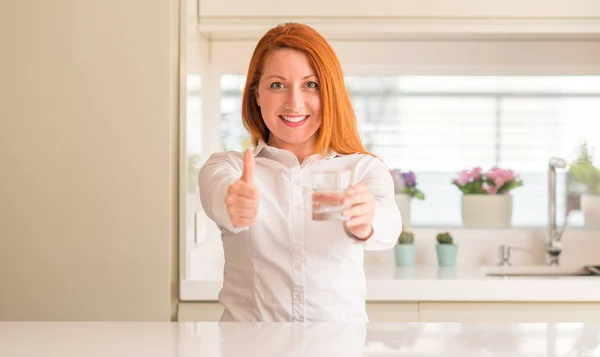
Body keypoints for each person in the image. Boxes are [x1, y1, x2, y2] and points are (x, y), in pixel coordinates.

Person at [198, 22, 402, 322]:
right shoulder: (230, 168)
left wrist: (367, 220)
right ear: (256, 94)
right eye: (277, 85)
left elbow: (389, 224)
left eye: (311, 85)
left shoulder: (361, 169)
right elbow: (219, 195)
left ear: (329, 93)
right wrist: (234, 203)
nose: (294, 103)